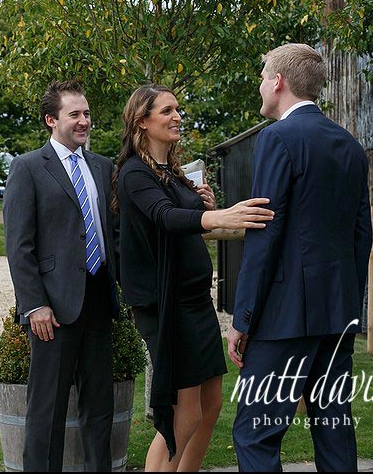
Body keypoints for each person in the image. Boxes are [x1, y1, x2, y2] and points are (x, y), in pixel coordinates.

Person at [113, 84, 275, 471]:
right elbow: (165, 217)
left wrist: (205, 207)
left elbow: (183, 220)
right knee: (183, 412)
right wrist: (220, 216)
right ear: (142, 121)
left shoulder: (172, 172)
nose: (177, 117)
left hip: (195, 300)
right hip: (166, 303)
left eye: (178, 109)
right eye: (167, 111)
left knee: (210, 403)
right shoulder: (134, 173)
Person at [228, 43, 372, 471]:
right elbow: (361, 237)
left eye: (262, 78)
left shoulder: (276, 138)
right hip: (337, 314)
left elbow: (265, 234)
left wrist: (243, 318)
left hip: (284, 318)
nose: (260, 86)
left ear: (278, 82)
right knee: (334, 431)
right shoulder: (350, 145)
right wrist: (348, 304)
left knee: (255, 434)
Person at [3, 80, 120, 471]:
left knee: (100, 407)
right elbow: (19, 246)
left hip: (99, 301)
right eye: (74, 114)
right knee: (46, 409)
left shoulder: (103, 167)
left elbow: (115, 232)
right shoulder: (28, 168)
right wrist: (34, 304)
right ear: (51, 120)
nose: (84, 121)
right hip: (51, 310)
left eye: (86, 113)